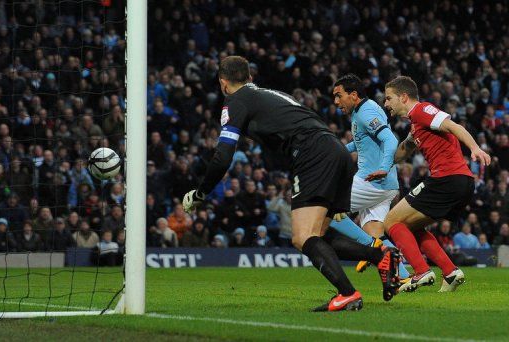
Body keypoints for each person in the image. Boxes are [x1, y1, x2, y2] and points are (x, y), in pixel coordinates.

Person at [183, 56, 400, 312]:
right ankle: (380, 255)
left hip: (312, 155)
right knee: (318, 234)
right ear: (250, 78)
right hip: (336, 153)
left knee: (302, 237)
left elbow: (222, 157)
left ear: (222, 83)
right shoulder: (268, 94)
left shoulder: (235, 101)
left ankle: (348, 293)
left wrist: (201, 192)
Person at [383, 75, 491, 292]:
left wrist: (475, 148)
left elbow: (453, 126)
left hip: (447, 178)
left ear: (403, 97)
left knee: (391, 222)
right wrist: (381, 162)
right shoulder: (416, 125)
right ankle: (450, 272)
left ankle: (421, 272)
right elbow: (403, 152)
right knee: (410, 226)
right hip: (459, 182)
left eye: (388, 98)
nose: (386, 104)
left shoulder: (422, 110)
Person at [330, 74, 410, 280]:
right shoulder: (365, 110)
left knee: (326, 208)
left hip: (374, 181)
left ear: (353, 95)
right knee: (374, 231)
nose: (336, 102)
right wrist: (337, 150)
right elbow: (362, 142)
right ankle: (403, 275)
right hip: (385, 184)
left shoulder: (366, 112)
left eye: (339, 96)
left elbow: (390, 139)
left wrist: (383, 167)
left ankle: (370, 249)